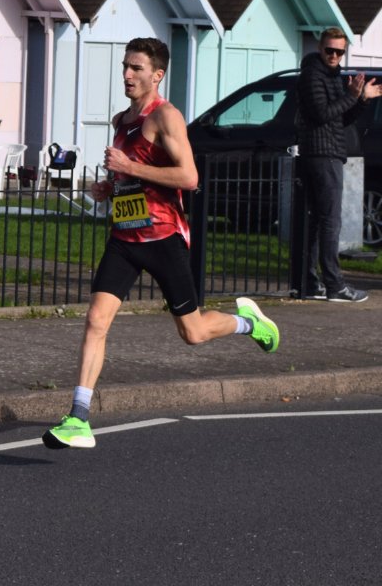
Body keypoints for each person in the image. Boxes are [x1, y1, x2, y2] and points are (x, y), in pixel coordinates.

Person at [43, 37, 279, 450]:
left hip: (163, 238)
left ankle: (250, 324)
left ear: (157, 74)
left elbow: (189, 178)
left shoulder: (166, 117)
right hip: (124, 237)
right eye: (125, 67)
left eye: (136, 68)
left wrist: (129, 165)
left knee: (193, 333)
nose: (127, 75)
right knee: (96, 319)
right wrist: (109, 186)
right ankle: (79, 417)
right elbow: (131, 177)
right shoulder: (121, 120)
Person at [294, 27, 380, 303]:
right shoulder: (312, 74)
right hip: (320, 155)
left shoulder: (332, 76)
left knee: (320, 221)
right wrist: (352, 96)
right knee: (329, 221)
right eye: (329, 50)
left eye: (339, 52)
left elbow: (340, 120)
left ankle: (309, 282)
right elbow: (321, 114)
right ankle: (334, 284)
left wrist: (362, 99)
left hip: (330, 151)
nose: (333, 56)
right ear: (320, 48)